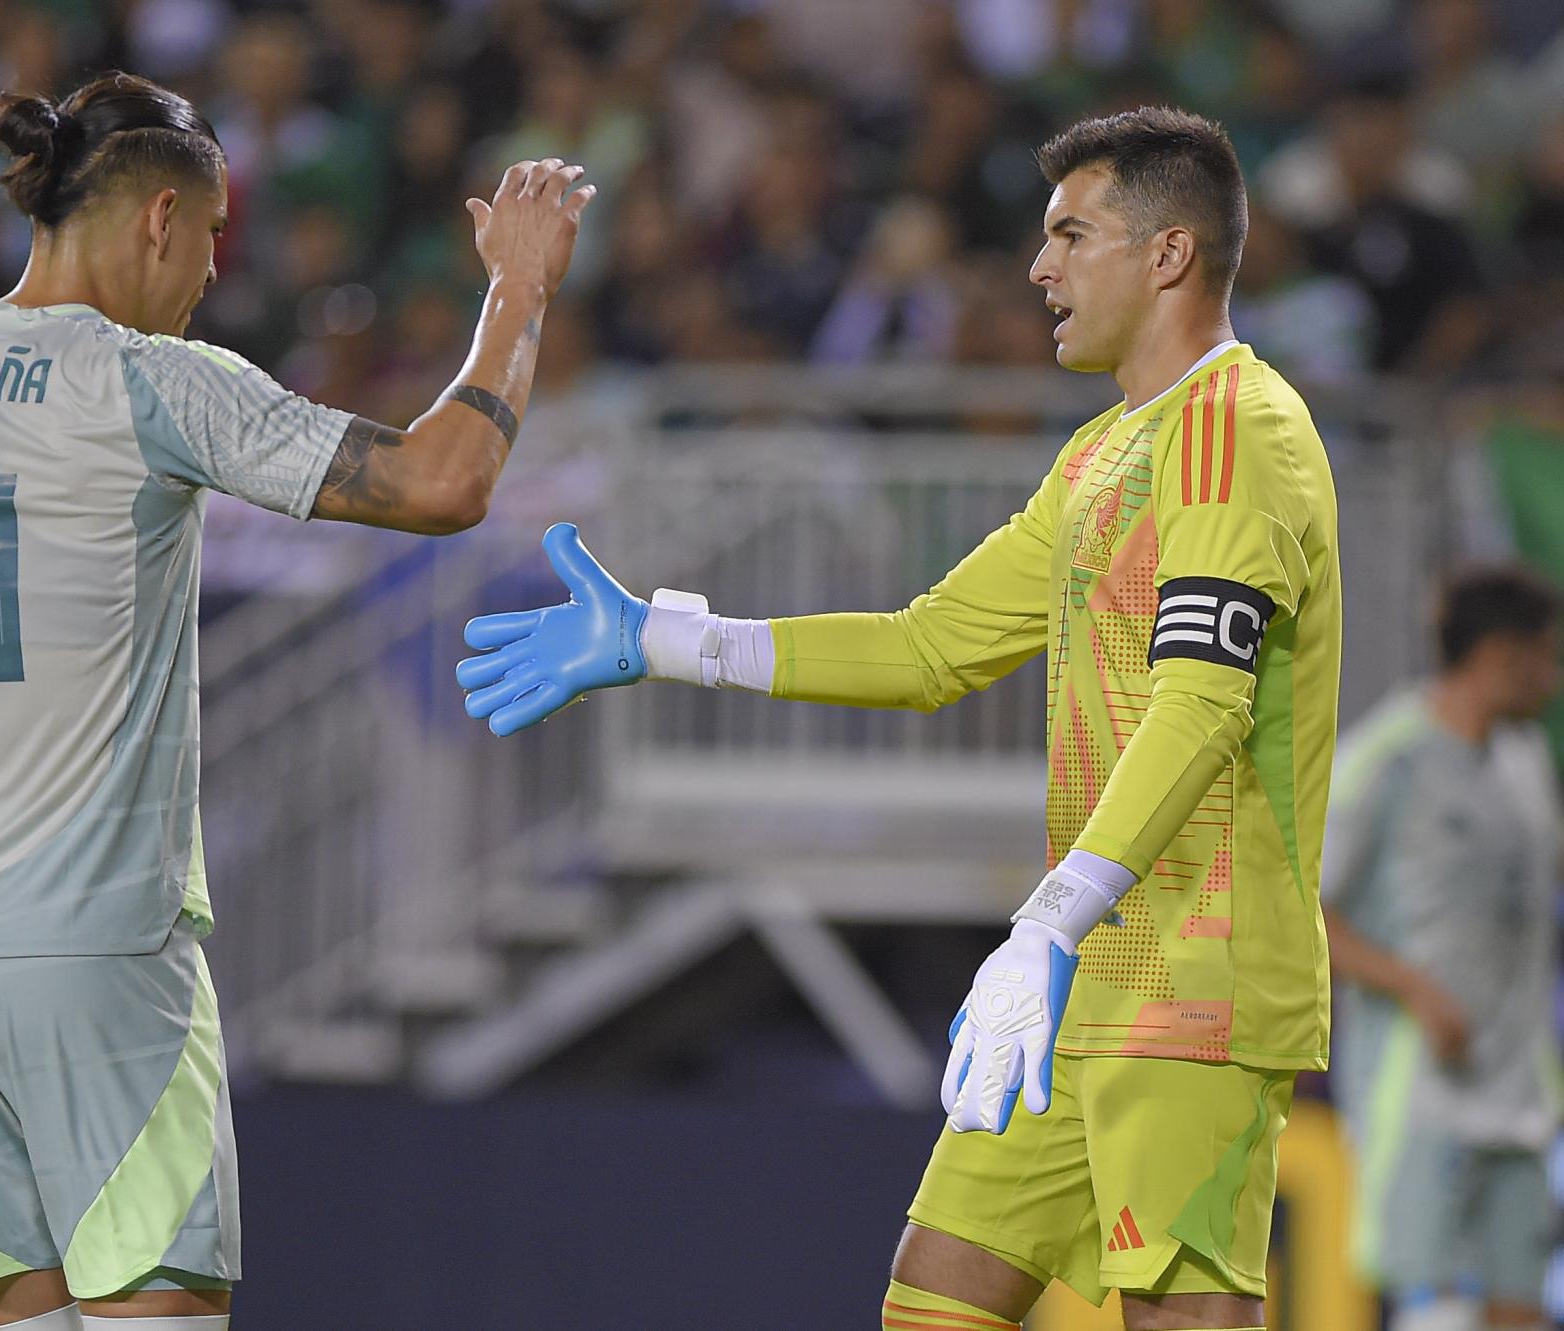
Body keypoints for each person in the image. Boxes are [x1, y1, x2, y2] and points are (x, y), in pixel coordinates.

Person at [0, 72, 592, 1331]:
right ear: (156, 218)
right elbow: (441, 481)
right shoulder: (153, 382)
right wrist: (516, 290)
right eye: (209, 237)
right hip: (93, 961)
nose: (209, 271)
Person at [458, 107, 1339, 1331]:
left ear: (1168, 254)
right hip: (1081, 973)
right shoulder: (1097, 456)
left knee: (1178, 1317)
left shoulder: (1236, 435)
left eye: (1069, 235)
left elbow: (1200, 703)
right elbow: (923, 645)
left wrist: (1043, 920)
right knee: (934, 1294)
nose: (1037, 268)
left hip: (1194, 973)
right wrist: (671, 640)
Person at [1322, 567, 1562, 1331]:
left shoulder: (1526, 761)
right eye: (1545, 658)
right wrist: (1413, 986)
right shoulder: (1386, 755)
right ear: (1499, 653)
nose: (1554, 680)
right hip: (1418, 1089)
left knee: (1519, 1310)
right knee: (1436, 1310)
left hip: (1519, 1091)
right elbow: (1301, 909)